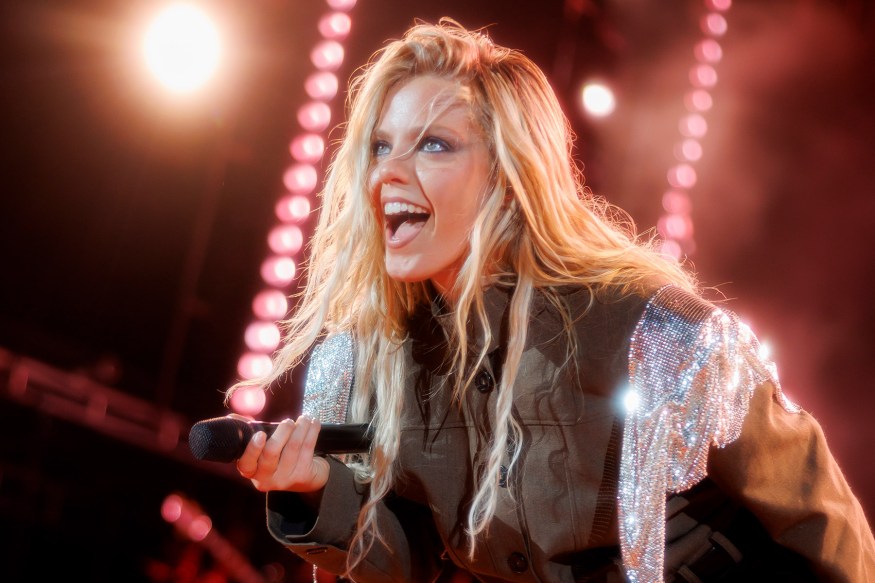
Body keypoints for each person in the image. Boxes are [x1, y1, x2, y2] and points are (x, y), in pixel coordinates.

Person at [227, 18, 875, 583]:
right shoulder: (387, 357)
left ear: (508, 178)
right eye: (379, 144)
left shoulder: (648, 330)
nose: (387, 171)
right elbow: (414, 557)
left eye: (433, 144)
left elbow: (818, 514)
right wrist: (313, 491)